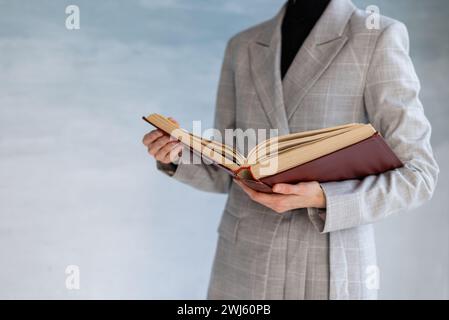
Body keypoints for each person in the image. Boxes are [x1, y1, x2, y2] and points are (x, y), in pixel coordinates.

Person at [142, 0, 439, 299]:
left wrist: (326, 199)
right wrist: (178, 156)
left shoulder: (377, 36)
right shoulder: (242, 46)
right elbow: (228, 170)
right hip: (242, 264)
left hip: (328, 262)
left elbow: (419, 175)